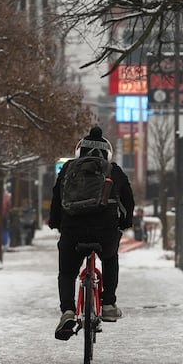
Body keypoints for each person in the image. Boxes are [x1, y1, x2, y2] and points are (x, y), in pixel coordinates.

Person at [48, 126, 135, 340]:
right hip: (105, 232)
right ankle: (107, 304)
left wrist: (57, 224)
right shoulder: (114, 171)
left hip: (73, 231)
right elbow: (128, 202)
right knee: (110, 258)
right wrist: (125, 223)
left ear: (80, 151)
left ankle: (68, 311)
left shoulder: (68, 169)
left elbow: (57, 200)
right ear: (107, 153)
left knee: (67, 272)